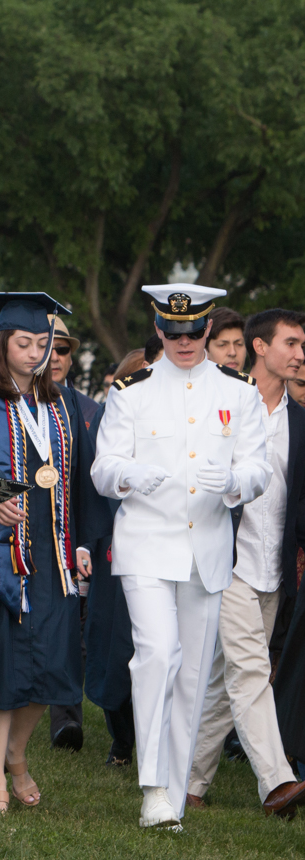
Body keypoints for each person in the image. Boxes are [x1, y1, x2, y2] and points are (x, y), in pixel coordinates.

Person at [91, 282, 271, 830]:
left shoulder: (239, 392)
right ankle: (151, 787)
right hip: (147, 541)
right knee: (156, 656)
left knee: (193, 674)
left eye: (193, 333)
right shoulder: (132, 389)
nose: (184, 342)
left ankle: (172, 788)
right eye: (173, 333)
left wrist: (236, 481)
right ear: (159, 330)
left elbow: (259, 469)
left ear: (209, 329)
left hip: (206, 547)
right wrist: (128, 473)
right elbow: (103, 469)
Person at [0, 295, 102, 814]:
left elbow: (82, 481)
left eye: (42, 343)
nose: (34, 353)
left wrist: (81, 542)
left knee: (51, 665)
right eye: (23, 343)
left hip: (52, 561)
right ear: (3, 344)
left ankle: (16, 753)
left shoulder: (64, 405)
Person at [186, 308, 305, 817]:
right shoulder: (224, 403)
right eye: (292, 343)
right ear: (260, 347)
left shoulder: (301, 420)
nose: (301, 355)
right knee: (253, 669)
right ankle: (277, 783)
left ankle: (185, 781)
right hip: (224, 560)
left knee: (222, 680)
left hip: (272, 566)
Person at [83, 349, 151, 768]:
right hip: (115, 548)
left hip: (160, 547)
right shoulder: (108, 420)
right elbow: (95, 487)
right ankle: (122, 739)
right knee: (114, 646)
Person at [44, 312, 99, 751]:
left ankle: (66, 716)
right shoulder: (7, 405)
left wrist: (86, 539)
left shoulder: (87, 410)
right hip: (25, 536)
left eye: (63, 349)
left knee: (71, 627)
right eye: (47, 348)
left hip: (74, 533)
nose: (55, 356)